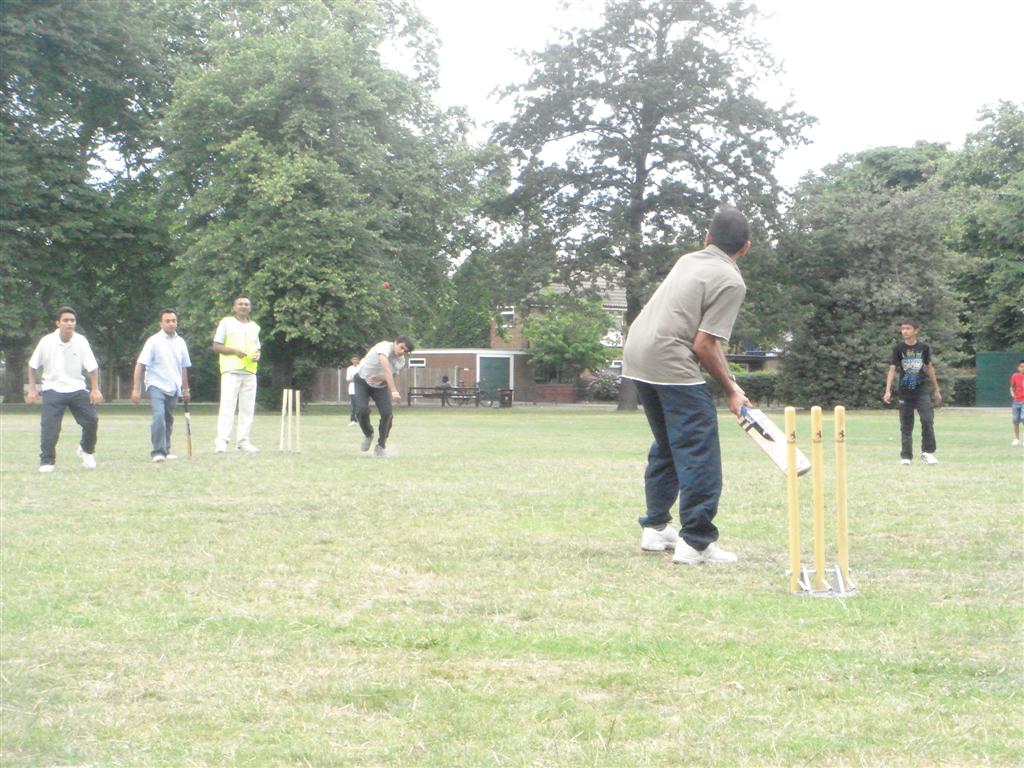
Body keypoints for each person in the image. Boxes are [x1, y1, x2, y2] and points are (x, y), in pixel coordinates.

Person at [622, 205, 752, 565]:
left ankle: (656, 527)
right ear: (745, 248)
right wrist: (730, 390)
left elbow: (704, 340)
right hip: (669, 357)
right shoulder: (731, 281)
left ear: (707, 238)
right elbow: (704, 344)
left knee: (668, 444)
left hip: (637, 353)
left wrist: (731, 385)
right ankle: (696, 542)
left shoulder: (688, 260)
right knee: (698, 450)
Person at [26, 306, 104, 472]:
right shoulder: (46, 341)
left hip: (77, 388)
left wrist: (95, 389)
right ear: (58, 323)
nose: (69, 323)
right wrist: (32, 389)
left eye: (72, 320)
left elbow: (92, 367)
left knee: (91, 420)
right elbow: (32, 366)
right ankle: (47, 461)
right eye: (66, 320)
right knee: (50, 427)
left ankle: (86, 450)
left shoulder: (81, 341)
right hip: (53, 388)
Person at [131, 309, 192, 462]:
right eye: (167, 321)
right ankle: (158, 451)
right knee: (159, 416)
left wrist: (186, 389)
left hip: (174, 386)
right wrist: (136, 389)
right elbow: (140, 364)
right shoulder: (153, 341)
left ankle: (166, 449)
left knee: (168, 419)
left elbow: (184, 367)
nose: (171, 323)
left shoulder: (181, 342)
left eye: (174, 321)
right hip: (156, 384)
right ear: (161, 323)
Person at [883, 319, 941, 465]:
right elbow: (892, 369)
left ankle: (927, 452)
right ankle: (906, 456)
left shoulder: (923, 348)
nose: (905, 331)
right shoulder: (898, 348)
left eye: (908, 328)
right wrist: (887, 390)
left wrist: (936, 389)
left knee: (927, 420)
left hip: (921, 391)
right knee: (906, 424)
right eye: (903, 328)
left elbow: (929, 367)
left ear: (916, 330)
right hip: (905, 392)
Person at [211, 295, 261, 453]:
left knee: (247, 408)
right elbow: (216, 346)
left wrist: (258, 355)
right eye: (240, 304)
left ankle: (243, 441)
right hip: (231, 370)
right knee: (227, 407)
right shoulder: (226, 322)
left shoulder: (254, 327)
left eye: (246, 304)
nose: (243, 307)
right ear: (234, 307)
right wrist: (234, 351)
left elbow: (257, 347)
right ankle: (222, 442)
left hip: (250, 371)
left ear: (250, 307)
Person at [353, 336, 415, 457]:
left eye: (405, 351)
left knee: (387, 414)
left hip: (380, 387)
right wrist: (394, 391)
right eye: (401, 347)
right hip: (362, 381)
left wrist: (381, 378)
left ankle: (380, 447)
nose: (402, 352)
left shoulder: (401, 361)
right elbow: (386, 368)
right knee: (361, 410)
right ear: (395, 342)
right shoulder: (383, 347)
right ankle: (368, 434)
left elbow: (392, 374)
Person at [1010, 360, 1024, 446]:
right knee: (1015, 420)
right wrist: (1013, 394)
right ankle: (1016, 439)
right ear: (1018, 368)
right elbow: (1012, 387)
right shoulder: (1015, 376)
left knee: (1023, 418)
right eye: (1021, 366)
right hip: (1016, 401)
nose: (1023, 368)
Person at [345, 355, 360, 425]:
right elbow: (348, 379)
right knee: (354, 406)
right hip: (352, 389)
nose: (355, 361)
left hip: (360, 389)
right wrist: (355, 380)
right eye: (353, 359)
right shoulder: (349, 368)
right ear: (351, 360)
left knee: (360, 406)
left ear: (358, 360)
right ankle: (353, 420)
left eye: (356, 359)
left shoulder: (361, 367)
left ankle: (360, 420)